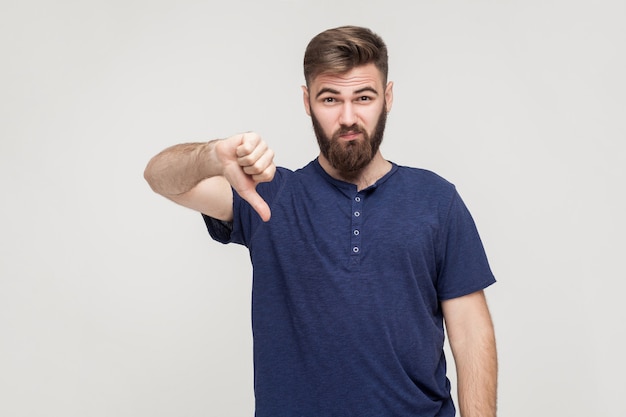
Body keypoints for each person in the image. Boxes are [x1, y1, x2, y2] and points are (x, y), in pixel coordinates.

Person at [144, 25, 497, 417]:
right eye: (330, 99)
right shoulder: (268, 195)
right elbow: (160, 177)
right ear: (307, 101)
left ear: (388, 97)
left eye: (364, 97)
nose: (348, 117)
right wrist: (212, 156)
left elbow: (471, 333)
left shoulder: (436, 200)